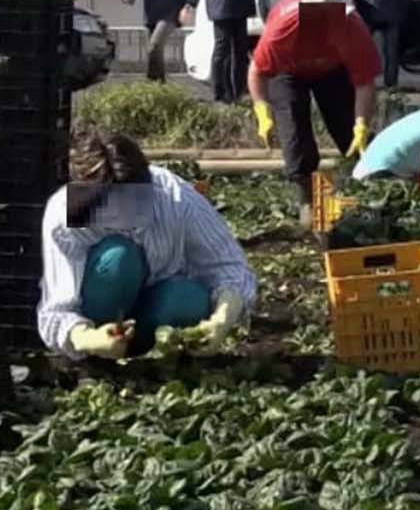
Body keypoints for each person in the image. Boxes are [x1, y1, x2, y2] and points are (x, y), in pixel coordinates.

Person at [37, 134, 258, 359]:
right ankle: (105, 349)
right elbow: (57, 311)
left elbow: (230, 267)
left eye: (135, 203)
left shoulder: (173, 195)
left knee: (188, 299)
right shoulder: (65, 214)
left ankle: (142, 347)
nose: (125, 216)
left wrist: (222, 319)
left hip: (156, 306)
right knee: (119, 258)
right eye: (111, 208)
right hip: (99, 310)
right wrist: (88, 338)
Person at [248, 0, 381, 223]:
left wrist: (361, 124)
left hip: (332, 71)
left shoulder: (352, 26)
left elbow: (364, 82)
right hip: (288, 73)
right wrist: (262, 111)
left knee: (348, 129)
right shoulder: (284, 26)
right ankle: (306, 201)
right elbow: (257, 71)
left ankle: (370, 191)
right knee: (294, 131)